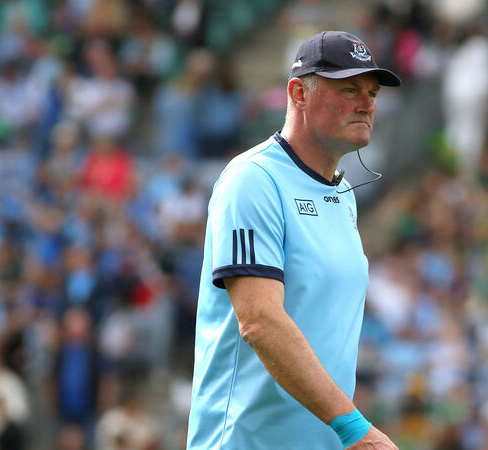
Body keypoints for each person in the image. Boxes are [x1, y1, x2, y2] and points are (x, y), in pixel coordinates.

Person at [187, 31, 401, 449]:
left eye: (373, 93)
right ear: (299, 94)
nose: (367, 104)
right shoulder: (253, 180)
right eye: (350, 90)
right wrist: (356, 429)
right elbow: (260, 321)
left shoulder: (343, 194)